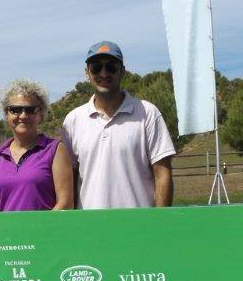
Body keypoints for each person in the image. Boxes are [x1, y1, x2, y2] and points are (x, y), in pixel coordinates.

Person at [61, 41, 176, 209]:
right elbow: (69, 177)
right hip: (88, 227)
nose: (104, 73)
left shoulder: (148, 113)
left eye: (111, 67)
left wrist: (159, 223)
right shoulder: (73, 120)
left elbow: (162, 173)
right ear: (87, 73)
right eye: (96, 67)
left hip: (138, 226)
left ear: (122, 72)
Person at [0, 79, 73, 212]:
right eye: (15, 110)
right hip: (5, 232)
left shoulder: (55, 150)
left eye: (31, 110)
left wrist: (40, 231)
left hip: (44, 231)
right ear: (6, 114)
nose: (23, 115)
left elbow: (65, 203)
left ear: (41, 115)